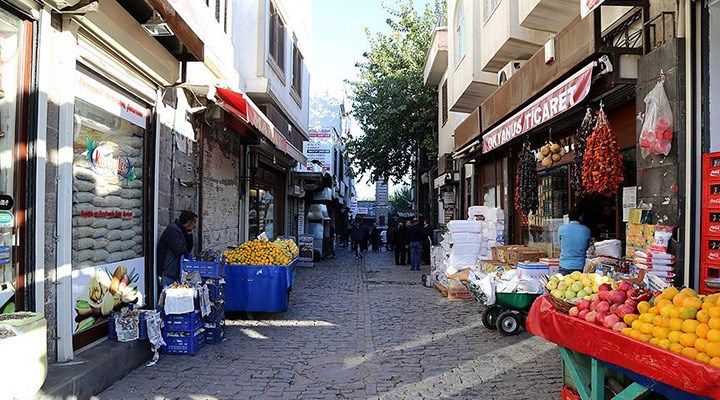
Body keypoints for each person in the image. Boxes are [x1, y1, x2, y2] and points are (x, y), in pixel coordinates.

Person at [157, 210, 197, 289]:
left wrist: (189, 232)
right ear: (189, 222)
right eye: (194, 222)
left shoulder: (181, 230)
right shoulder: (173, 231)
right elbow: (181, 251)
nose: (195, 225)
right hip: (167, 272)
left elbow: (188, 250)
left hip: (174, 272)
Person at [558, 209, 592, 275]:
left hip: (564, 264)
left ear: (569, 218)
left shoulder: (561, 229)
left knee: (564, 284)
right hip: (580, 265)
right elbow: (587, 246)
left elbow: (560, 245)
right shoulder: (586, 230)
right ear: (580, 217)